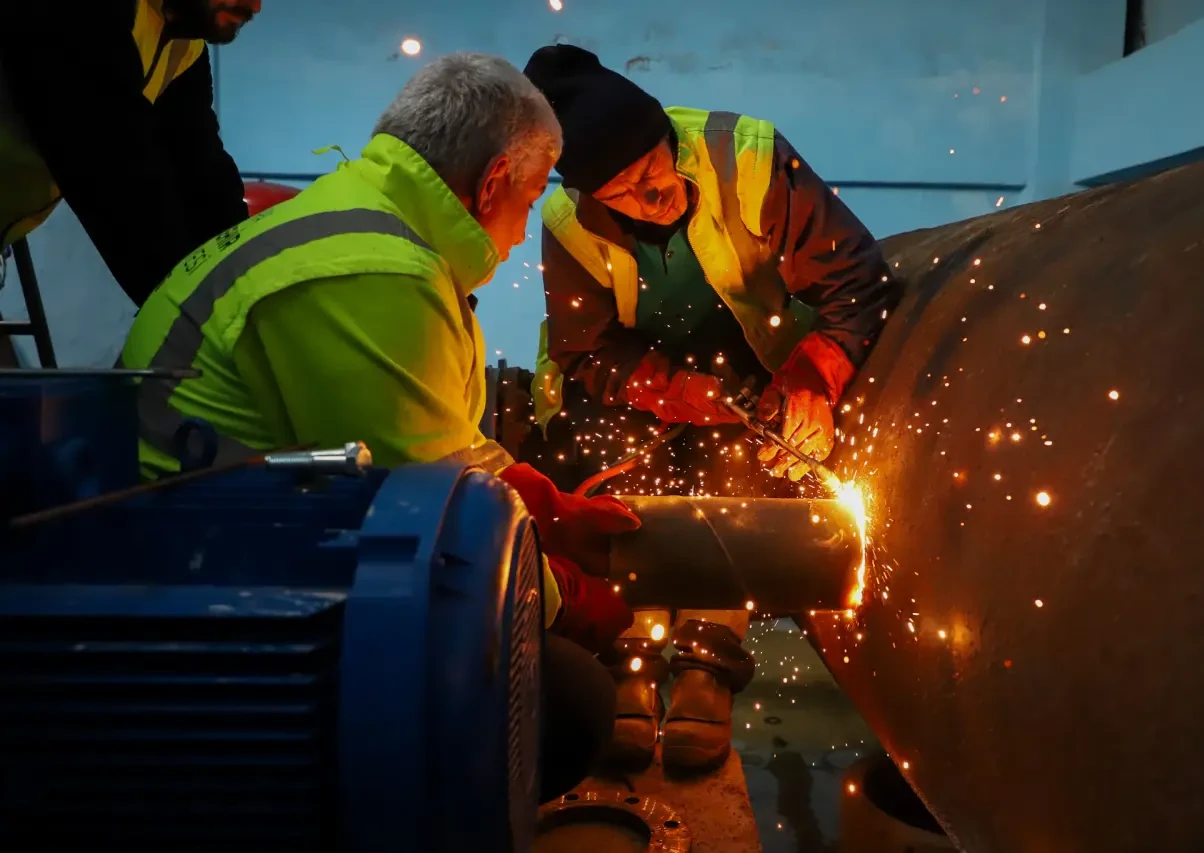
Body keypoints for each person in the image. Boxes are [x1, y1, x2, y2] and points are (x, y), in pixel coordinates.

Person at [117, 52, 634, 802]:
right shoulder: (369, 270)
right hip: (196, 584)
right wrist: (564, 597)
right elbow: (429, 524)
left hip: (224, 535)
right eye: (527, 203)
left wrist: (541, 502)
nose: (523, 234)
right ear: (491, 182)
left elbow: (431, 436)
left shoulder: (366, 222)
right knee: (568, 701)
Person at [521, 44, 903, 773]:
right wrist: (669, 389)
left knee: (737, 476)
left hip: (757, 364)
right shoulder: (569, 220)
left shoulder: (750, 157)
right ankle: (630, 654)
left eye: (655, 168)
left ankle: (707, 661)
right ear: (590, 194)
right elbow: (585, 348)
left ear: (668, 135)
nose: (653, 194)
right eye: (626, 191)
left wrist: (813, 377)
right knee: (621, 478)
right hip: (635, 382)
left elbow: (858, 280)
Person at [0, 1, 261, 306]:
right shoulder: (80, 12)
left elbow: (204, 176)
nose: (255, 6)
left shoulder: (185, 48)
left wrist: (249, 283)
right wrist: (196, 316)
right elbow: (116, 179)